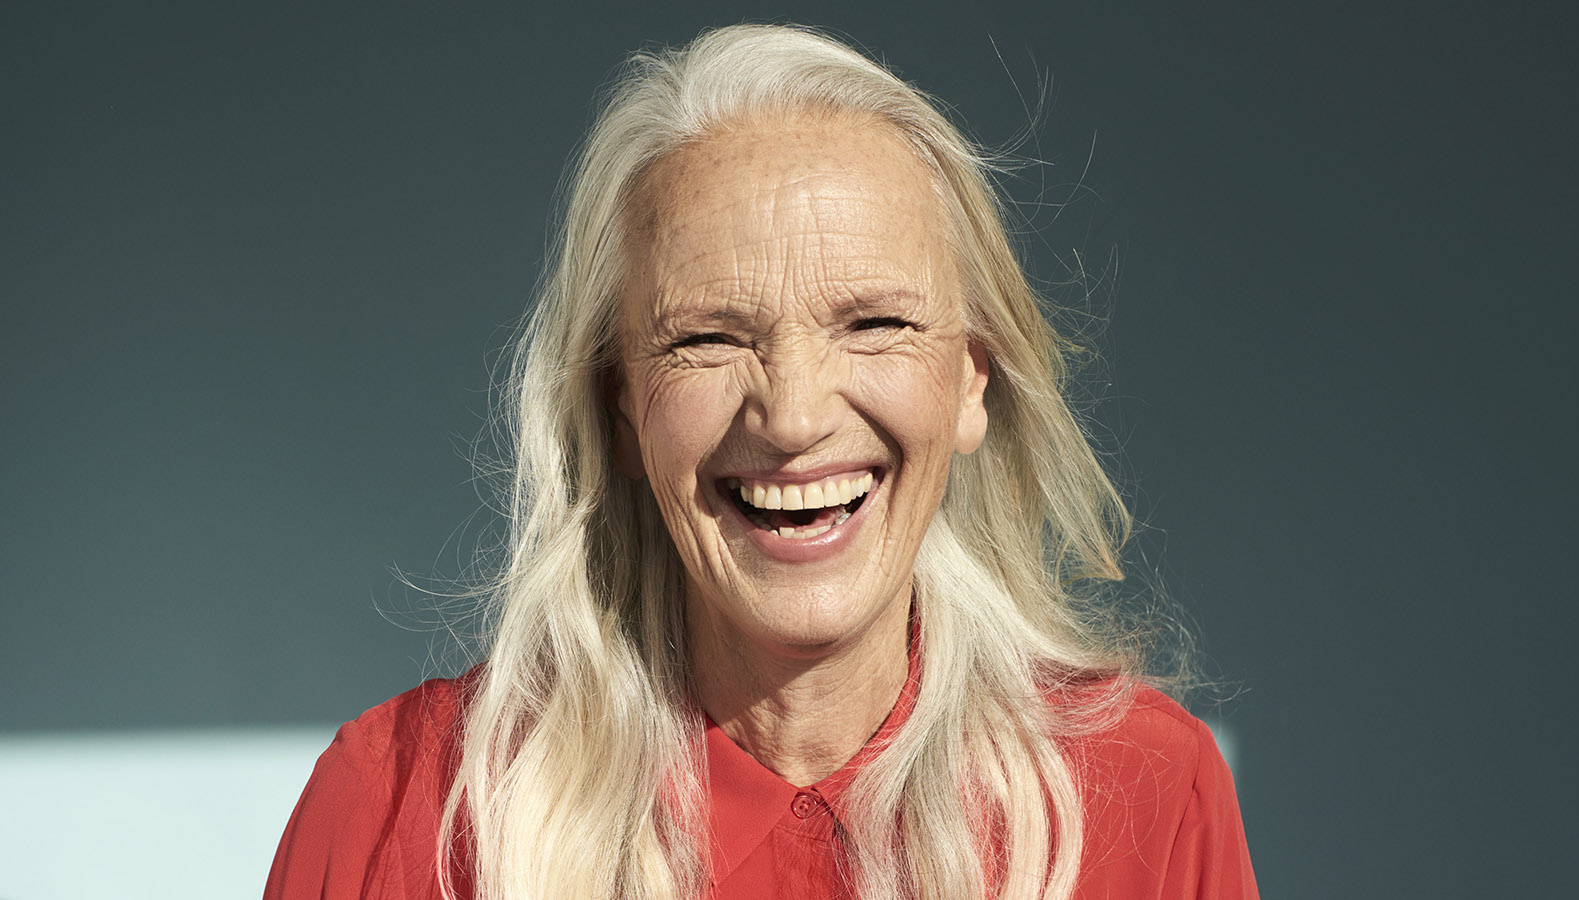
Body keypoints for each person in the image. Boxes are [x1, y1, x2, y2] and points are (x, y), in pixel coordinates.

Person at [265, 23, 1257, 900]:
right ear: (620, 409)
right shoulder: (401, 811)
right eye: (707, 338)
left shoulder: (1148, 795)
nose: (792, 416)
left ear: (970, 381)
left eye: (873, 323)